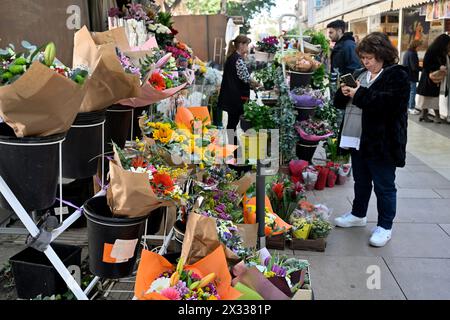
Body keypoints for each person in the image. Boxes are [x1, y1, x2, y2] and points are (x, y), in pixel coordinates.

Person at [333, 32, 410, 247]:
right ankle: (358, 214)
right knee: (362, 181)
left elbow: (388, 105)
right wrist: (344, 92)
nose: (365, 62)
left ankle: (385, 227)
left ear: (382, 54)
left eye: (370, 58)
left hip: (383, 143)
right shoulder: (359, 73)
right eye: (363, 58)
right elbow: (338, 103)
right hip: (357, 138)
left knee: (384, 186)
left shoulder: (397, 75)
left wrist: (358, 94)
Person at [217, 35, 260, 138]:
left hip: (231, 96)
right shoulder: (237, 60)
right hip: (235, 98)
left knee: (232, 123)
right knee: (233, 124)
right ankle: (233, 148)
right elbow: (246, 78)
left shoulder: (232, 57)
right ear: (241, 45)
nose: (248, 47)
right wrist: (258, 84)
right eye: (246, 45)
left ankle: (233, 147)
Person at [417, 34, 450, 123]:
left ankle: (423, 115)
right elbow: (426, 65)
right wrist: (439, 67)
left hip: (432, 78)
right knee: (433, 98)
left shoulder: (439, 51)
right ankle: (437, 117)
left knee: (428, 98)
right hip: (430, 78)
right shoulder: (433, 51)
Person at [402, 40, 422, 115]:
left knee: (409, 92)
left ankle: (408, 107)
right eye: (419, 46)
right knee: (412, 92)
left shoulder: (407, 53)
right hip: (411, 76)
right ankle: (411, 108)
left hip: (406, 75)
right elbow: (414, 67)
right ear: (416, 46)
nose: (420, 48)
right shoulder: (413, 54)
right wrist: (423, 69)